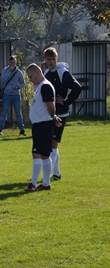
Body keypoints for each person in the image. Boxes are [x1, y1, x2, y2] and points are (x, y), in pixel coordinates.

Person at [42, 47, 81, 180]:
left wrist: (66, 101)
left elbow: (77, 87)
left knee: (54, 142)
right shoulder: (47, 72)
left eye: (53, 59)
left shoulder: (62, 72)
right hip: (49, 113)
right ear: (45, 60)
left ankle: (47, 176)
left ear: (57, 59)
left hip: (60, 113)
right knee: (51, 143)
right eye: (49, 59)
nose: (51, 62)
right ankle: (56, 174)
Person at [24, 64, 61, 192]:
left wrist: (53, 116)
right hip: (40, 124)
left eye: (30, 76)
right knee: (43, 154)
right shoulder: (41, 86)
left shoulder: (45, 86)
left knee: (38, 153)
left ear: (37, 73)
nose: (30, 80)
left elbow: (50, 105)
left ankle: (34, 183)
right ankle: (45, 183)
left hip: (43, 124)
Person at [0, 55, 26, 135]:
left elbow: (23, 83)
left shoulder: (19, 72)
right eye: (11, 62)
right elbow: (3, 79)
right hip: (7, 94)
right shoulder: (5, 70)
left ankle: (22, 130)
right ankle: (0, 130)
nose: (12, 64)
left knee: (18, 113)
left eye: (13, 62)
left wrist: (18, 87)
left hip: (16, 95)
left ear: (16, 62)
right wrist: (9, 71)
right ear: (8, 63)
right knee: (4, 112)